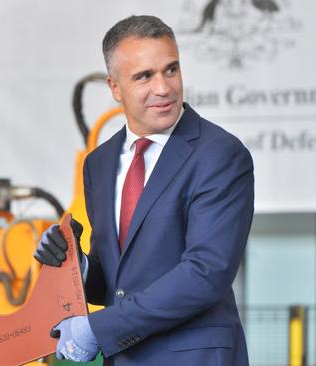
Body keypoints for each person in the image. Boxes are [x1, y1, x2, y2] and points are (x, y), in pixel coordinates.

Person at [35, 15, 253, 365]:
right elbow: (115, 281)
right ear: (115, 88)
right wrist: (77, 264)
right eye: (144, 76)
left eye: (171, 69)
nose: (164, 88)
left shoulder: (219, 154)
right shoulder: (99, 164)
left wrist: (98, 328)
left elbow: (206, 272)